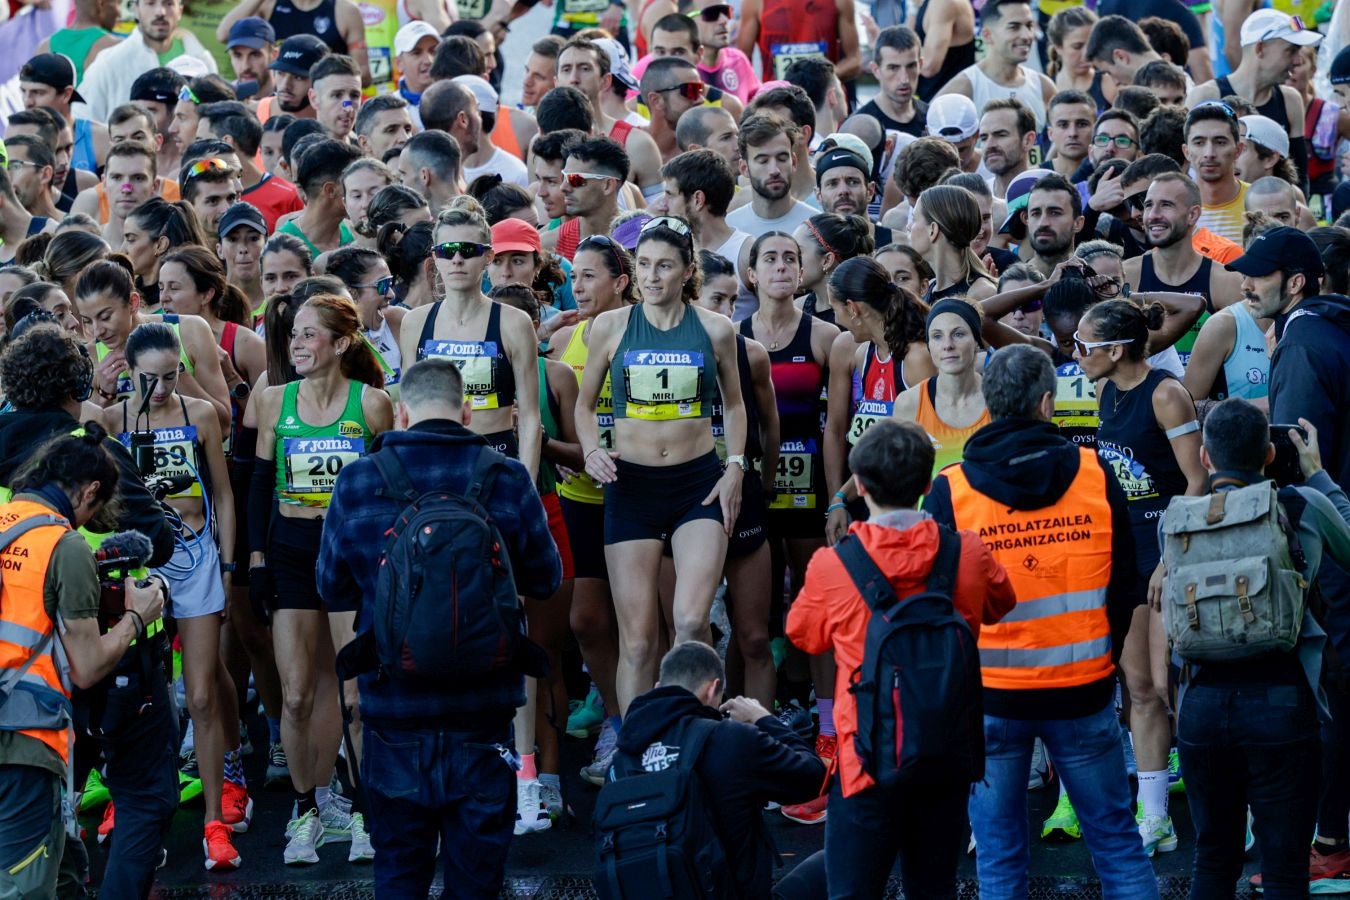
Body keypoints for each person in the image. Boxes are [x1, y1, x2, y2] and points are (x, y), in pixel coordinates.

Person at [314, 356, 560, 894]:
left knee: (400, 873)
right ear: (467, 412)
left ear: (401, 414)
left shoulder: (358, 480)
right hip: (484, 712)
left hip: (395, 712)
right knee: (477, 879)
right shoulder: (507, 476)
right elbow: (546, 579)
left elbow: (330, 587)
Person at [922, 344, 1159, 900]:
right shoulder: (1096, 476)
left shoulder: (951, 490)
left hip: (992, 699)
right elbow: (1125, 585)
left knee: (1000, 859)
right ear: (1048, 404)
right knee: (1118, 847)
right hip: (1083, 690)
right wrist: (1102, 655)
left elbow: (938, 604)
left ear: (988, 403)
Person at [784, 417, 1014, 898]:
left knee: (852, 891)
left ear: (861, 486)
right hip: (946, 752)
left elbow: (802, 636)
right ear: (928, 484)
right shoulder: (966, 552)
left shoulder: (833, 564)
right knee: (934, 888)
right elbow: (1001, 602)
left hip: (864, 759)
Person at [1165, 399, 1348, 899]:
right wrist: (1319, 476)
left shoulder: (1176, 521)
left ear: (1204, 458)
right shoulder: (1300, 505)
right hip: (1281, 702)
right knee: (1286, 869)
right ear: (1270, 454)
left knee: (1213, 860)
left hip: (1200, 705)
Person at [575, 215, 747, 714]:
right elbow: (585, 407)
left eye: (664, 266)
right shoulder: (609, 326)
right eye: (644, 264)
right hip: (632, 488)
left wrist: (735, 465)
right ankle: (636, 752)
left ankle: (695, 739)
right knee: (639, 642)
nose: (651, 276)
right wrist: (591, 449)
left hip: (697, 484)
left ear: (687, 270)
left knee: (692, 624)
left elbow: (734, 405)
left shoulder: (716, 330)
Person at [249, 293, 392, 865]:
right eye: (295, 336)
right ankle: (306, 808)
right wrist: (256, 561)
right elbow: (260, 484)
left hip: (350, 555)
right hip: (290, 551)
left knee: (353, 693)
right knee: (298, 691)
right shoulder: (273, 400)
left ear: (341, 342)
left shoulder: (374, 405)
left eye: (310, 335)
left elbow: (385, 491)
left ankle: (360, 809)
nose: (299, 345)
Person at [98, 321, 245, 870]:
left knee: (202, 694)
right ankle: (131, 807)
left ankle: (215, 819)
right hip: (138, 567)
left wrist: (227, 565)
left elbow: (224, 495)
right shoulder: (111, 421)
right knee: (138, 696)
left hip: (197, 558)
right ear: (128, 370)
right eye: (149, 379)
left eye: (170, 376)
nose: (160, 389)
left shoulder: (199, 414)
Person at [0, 419, 166, 899]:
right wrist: (137, 617)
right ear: (90, 489)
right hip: (24, 739)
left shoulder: (6, 522)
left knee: (65, 871)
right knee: (25, 886)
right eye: (95, 505)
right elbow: (89, 664)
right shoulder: (62, 543)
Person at [1231, 225, 1350, 886]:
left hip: (1329, 547)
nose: (1247, 286)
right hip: (1343, 532)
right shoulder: (1332, 326)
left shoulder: (1303, 339)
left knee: (1331, 692)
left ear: (1296, 281)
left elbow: (1298, 457)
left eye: (1259, 275)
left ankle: (1329, 840)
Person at [611, 641, 825, 896]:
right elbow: (814, 778)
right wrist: (763, 718)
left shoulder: (622, 757)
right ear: (713, 689)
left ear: (659, 688)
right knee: (838, 856)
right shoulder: (731, 739)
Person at [1187, 9, 1320, 188]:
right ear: (1260, 48)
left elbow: (1300, 177)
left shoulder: (1290, 100)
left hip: (1272, 210)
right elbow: (1185, 166)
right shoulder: (1206, 96)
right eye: (1291, 51)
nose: (1297, 60)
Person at [78, 0, 220, 123]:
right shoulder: (109, 63)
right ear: (136, 8)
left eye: (169, 3)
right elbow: (84, 119)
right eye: (150, 3)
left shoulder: (202, 61)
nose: (160, 12)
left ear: (180, 10)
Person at [937, 0, 1055, 131]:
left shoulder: (1044, 86)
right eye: (1014, 27)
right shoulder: (963, 88)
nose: (1026, 35)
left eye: (1029, 26)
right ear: (987, 35)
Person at [727, 115, 818, 236]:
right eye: (763, 161)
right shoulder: (730, 228)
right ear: (744, 168)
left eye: (782, 159)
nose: (774, 170)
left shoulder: (816, 227)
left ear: (794, 162)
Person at [542, 137, 629, 263]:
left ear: (608, 185)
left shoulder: (640, 240)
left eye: (575, 179)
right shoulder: (550, 246)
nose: (563, 187)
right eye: (564, 177)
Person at [979, 98, 1041, 199]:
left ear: (1028, 140)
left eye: (1001, 135)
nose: (989, 145)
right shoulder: (976, 198)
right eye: (984, 138)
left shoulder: (1054, 193)